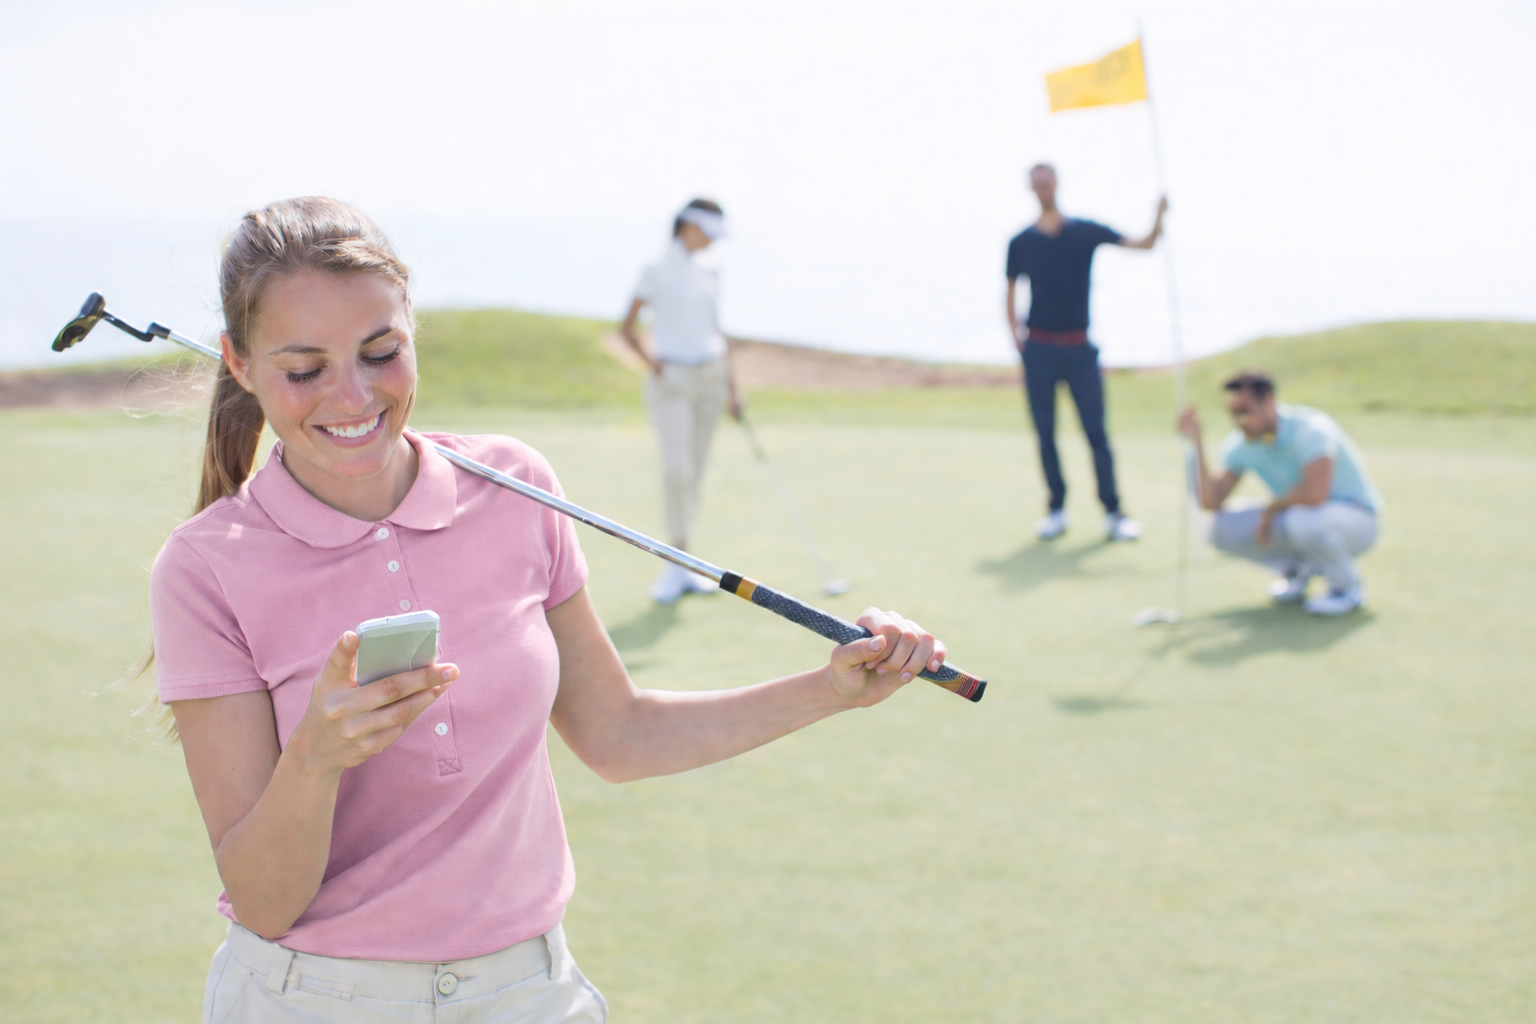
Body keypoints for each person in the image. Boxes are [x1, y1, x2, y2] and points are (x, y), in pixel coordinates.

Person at [150, 197, 951, 1024]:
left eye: (380, 351)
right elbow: (264, 901)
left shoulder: (514, 484)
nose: (352, 396)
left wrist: (832, 689)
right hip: (313, 1000)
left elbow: (619, 734)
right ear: (239, 365)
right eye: (304, 368)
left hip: (528, 994)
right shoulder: (206, 568)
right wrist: (314, 760)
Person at [1005, 163, 1166, 542]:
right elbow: (1010, 289)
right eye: (1037, 182)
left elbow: (1142, 244)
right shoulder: (1021, 242)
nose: (1043, 186)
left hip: (1079, 347)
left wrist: (1157, 217)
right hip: (1039, 348)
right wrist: (1015, 334)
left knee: (1096, 433)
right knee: (1046, 434)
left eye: (1047, 180)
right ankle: (1056, 509)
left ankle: (1113, 512)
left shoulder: (1084, 232)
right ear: (1031, 187)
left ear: (1056, 183)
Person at [619, 198, 743, 605]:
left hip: (712, 376)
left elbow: (717, 330)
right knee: (677, 470)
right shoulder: (656, 269)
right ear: (689, 225)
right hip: (672, 379)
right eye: (708, 231)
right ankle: (675, 562)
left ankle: (687, 563)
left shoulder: (712, 270)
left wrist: (733, 387)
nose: (712, 241)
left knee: (696, 473)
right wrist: (652, 364)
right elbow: (628, 325)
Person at [1178, 370, 1383, 616]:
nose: (1238, 421)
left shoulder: (1310, 429)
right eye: (1233, 414)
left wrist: (1271, 509)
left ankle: (1346, 589)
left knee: (1303, 519)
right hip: (1303, 518)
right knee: (1217, 527)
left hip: (1358, 521)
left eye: (1245, 411)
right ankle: (1298, 571)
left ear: (1270, 403)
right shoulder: (1243, 442)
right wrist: (1196, 443)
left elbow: (1316, 493)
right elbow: (1210, 500)